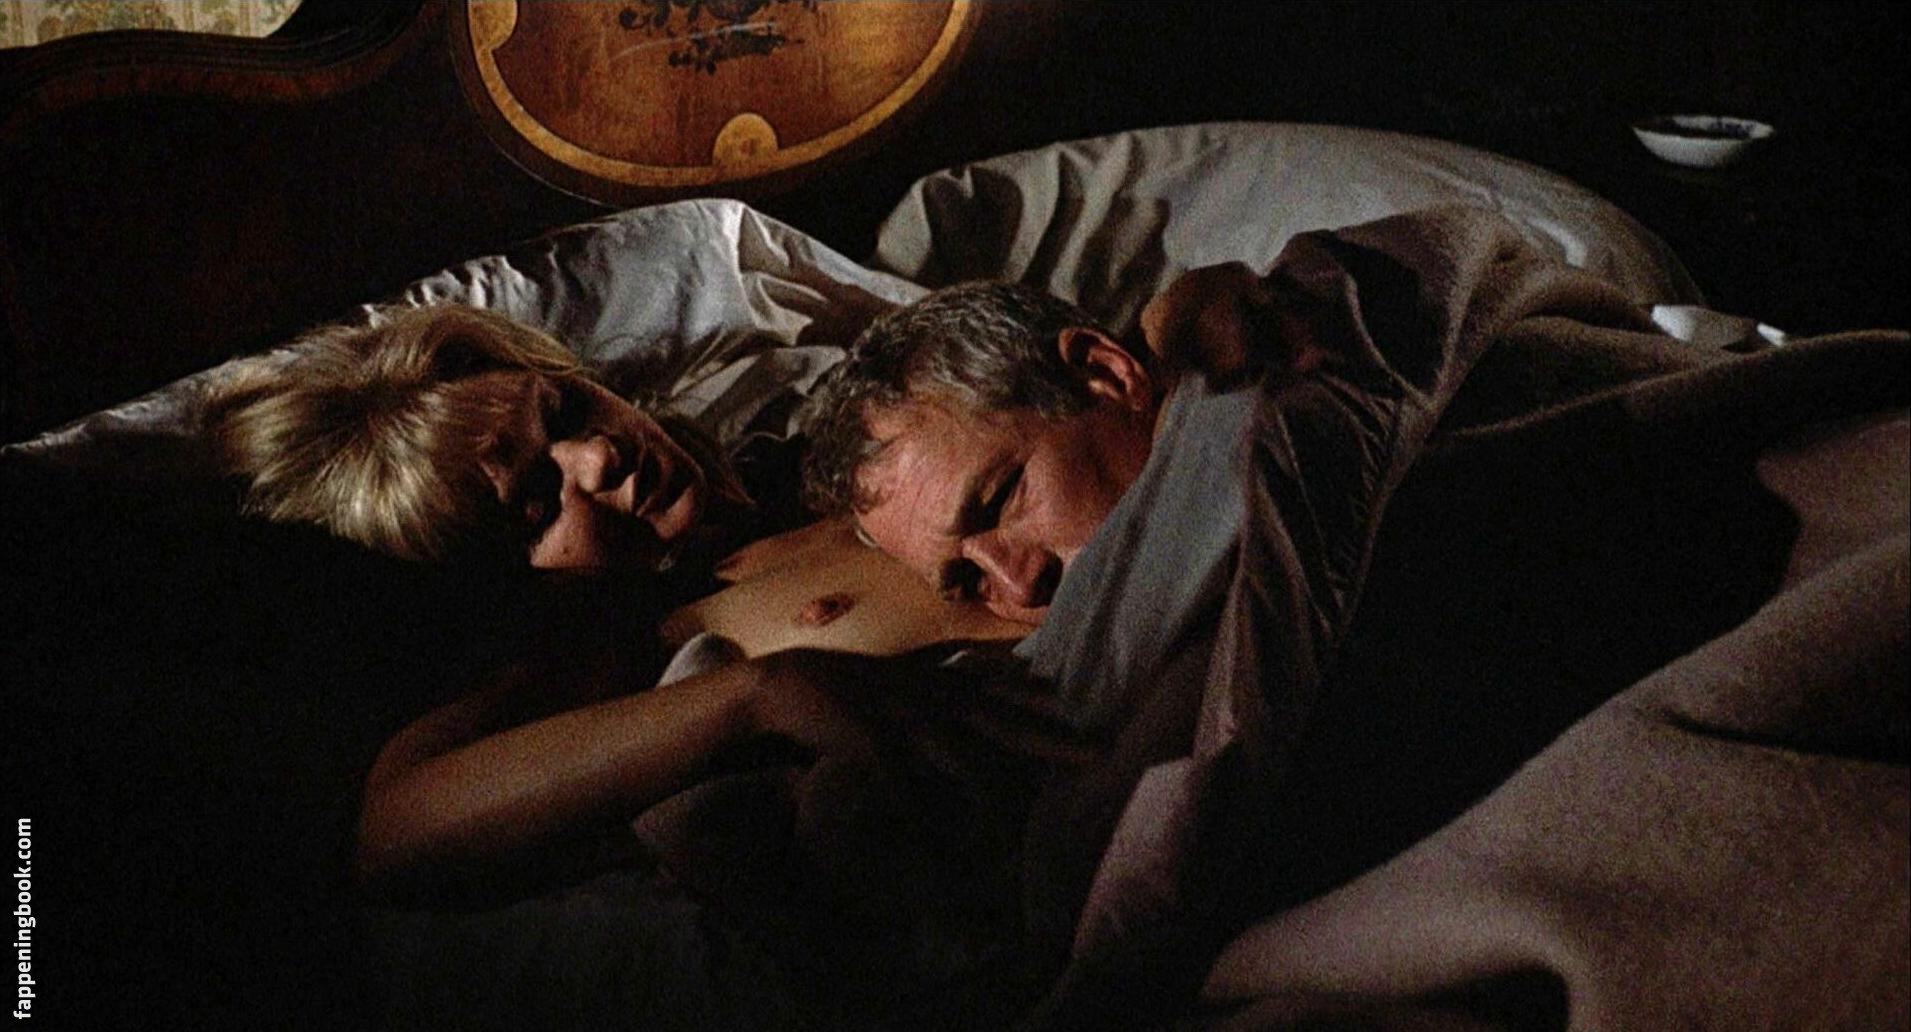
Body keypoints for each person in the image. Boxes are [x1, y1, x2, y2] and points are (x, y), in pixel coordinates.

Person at [205, 302, 1028, 897]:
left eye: (565, 410)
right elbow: (395, 831)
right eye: (537, 503)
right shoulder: (617, 633)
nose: (597, 458)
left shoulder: (819, 457)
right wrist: (759, 695)